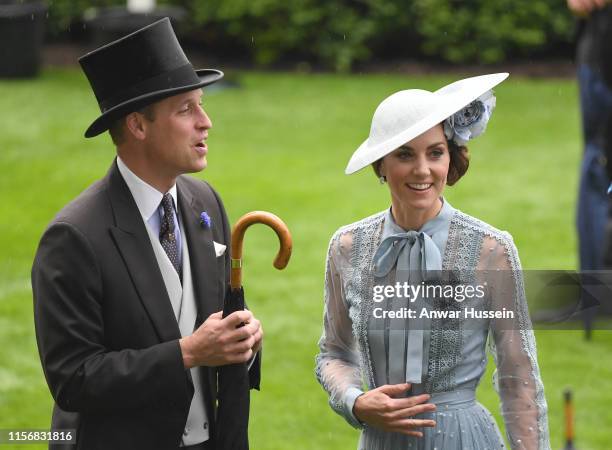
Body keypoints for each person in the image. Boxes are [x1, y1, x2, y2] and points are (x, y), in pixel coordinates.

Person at [32, 18, 262, 450]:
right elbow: (73, 379)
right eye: (186, 109)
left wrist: (244, 338)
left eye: (202, 105)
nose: (206, 122)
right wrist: (188, 352)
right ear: (137, 126)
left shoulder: (205, 202)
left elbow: (218, 329)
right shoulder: (73, 237)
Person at [315, 74, 550, 449]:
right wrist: (355, 402)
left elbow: (517, 375)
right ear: (381, 165)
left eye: (435, 152)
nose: (423, 170)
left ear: (450, 156)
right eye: (405, 154)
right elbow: (334, 353)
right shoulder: (347, 247)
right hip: (382, 441)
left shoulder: (491, 249)